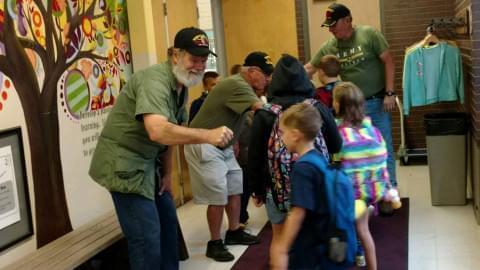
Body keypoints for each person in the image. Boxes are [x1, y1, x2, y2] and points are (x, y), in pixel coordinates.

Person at [88, 27, 233, 270]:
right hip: (125, 166)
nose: (199, 66)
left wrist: (167, 174)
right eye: (193, 59)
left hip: (149, 165)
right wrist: (207, 136)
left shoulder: (181, 85)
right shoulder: (154, 81)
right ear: (175, 55)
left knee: (168, 226)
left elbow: (171, 134)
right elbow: (158, 130)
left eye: (203, 59)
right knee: (146, 238)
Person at [248, 54, 342, 259]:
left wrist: (256, 190)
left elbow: (254, 156)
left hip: (277, 190)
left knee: (280, 240)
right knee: (316, 237)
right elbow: (336, 144)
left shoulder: (266, 113)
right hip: (316, 187)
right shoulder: (317, 109)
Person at [183, 51, 274, 262]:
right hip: (203, 142)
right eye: (266, 74)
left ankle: (233, 231)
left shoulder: (244, 85)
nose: (268, 79)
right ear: (252, 72)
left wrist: (234, 143)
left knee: (235, 189)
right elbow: (262, 110)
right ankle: (214, 243)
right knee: (218, 195)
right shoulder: (238, 84)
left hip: (223, 144)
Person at [305, 3, 397, 188]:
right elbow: (309, 68)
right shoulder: (330, 46)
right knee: (354, 151)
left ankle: (388, 189)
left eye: (334, 24)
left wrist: (389, 93)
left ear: (347, 20)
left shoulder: (369, 35)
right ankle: (360, 190)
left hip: (377, 102)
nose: (331, 29)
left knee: (382, 147)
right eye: (328, 25)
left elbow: (389, 61)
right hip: (351, 107)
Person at [269, 103, 346, 270]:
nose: (280, 138)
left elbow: (297, 213)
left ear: (295, 135)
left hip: (311, 247)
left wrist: (281, 248)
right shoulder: (319, 157)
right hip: (326, 238)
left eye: (282, 133)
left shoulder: (302, 168)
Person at [332, 82, 394, 270]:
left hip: (347, 195)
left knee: (339, 232)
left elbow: (335, 162)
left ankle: (340, 264)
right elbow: (383, 161)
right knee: (363, 231)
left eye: (335, 100)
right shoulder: (372, 131)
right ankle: (369, 265)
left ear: (340, 105)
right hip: (369, 193)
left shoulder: (339, 134)